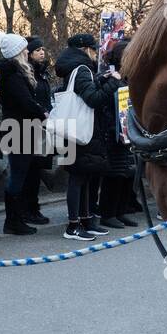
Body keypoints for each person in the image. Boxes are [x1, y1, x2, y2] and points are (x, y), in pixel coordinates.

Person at [54, 33, 118, 240]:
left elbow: (86, 91)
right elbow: (92, 99)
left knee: (85, 176)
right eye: (94, 48)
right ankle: (73, 226)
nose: (96, 52)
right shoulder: (81, 70)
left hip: (77, 129)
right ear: (85, 50)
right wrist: (113, 84)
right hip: (80, 132)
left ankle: (86, 219)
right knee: (78, 177)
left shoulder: (77, 69)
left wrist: (100, 79)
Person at [0, 31, 48, 235]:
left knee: (20, 173)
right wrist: (43, 113)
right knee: (18, 174)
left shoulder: (14, 72)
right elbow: (25, 101)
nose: (27, 51)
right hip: (18, 128)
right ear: (17, 52)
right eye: (24, 48)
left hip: (20, 127)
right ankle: (13, 221)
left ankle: (17, 218)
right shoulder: (12, 75)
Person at [96, 40, 138, 229]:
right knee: (114, 174)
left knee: (128, 173)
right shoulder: (109, 76)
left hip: (129, 129)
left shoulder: (129, 75)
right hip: (113, 130)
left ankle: (121, 211)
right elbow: (103, 101)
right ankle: (108, 213)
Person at [23, 36, 54, 225]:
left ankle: (34, 207)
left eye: (42, 49)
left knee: (38, 169)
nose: (42, 52)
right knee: (30, 171)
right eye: (37, 50)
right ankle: (28, 209)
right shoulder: (28, 73)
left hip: (43, 125)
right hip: (29, 126)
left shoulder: (43, 73)